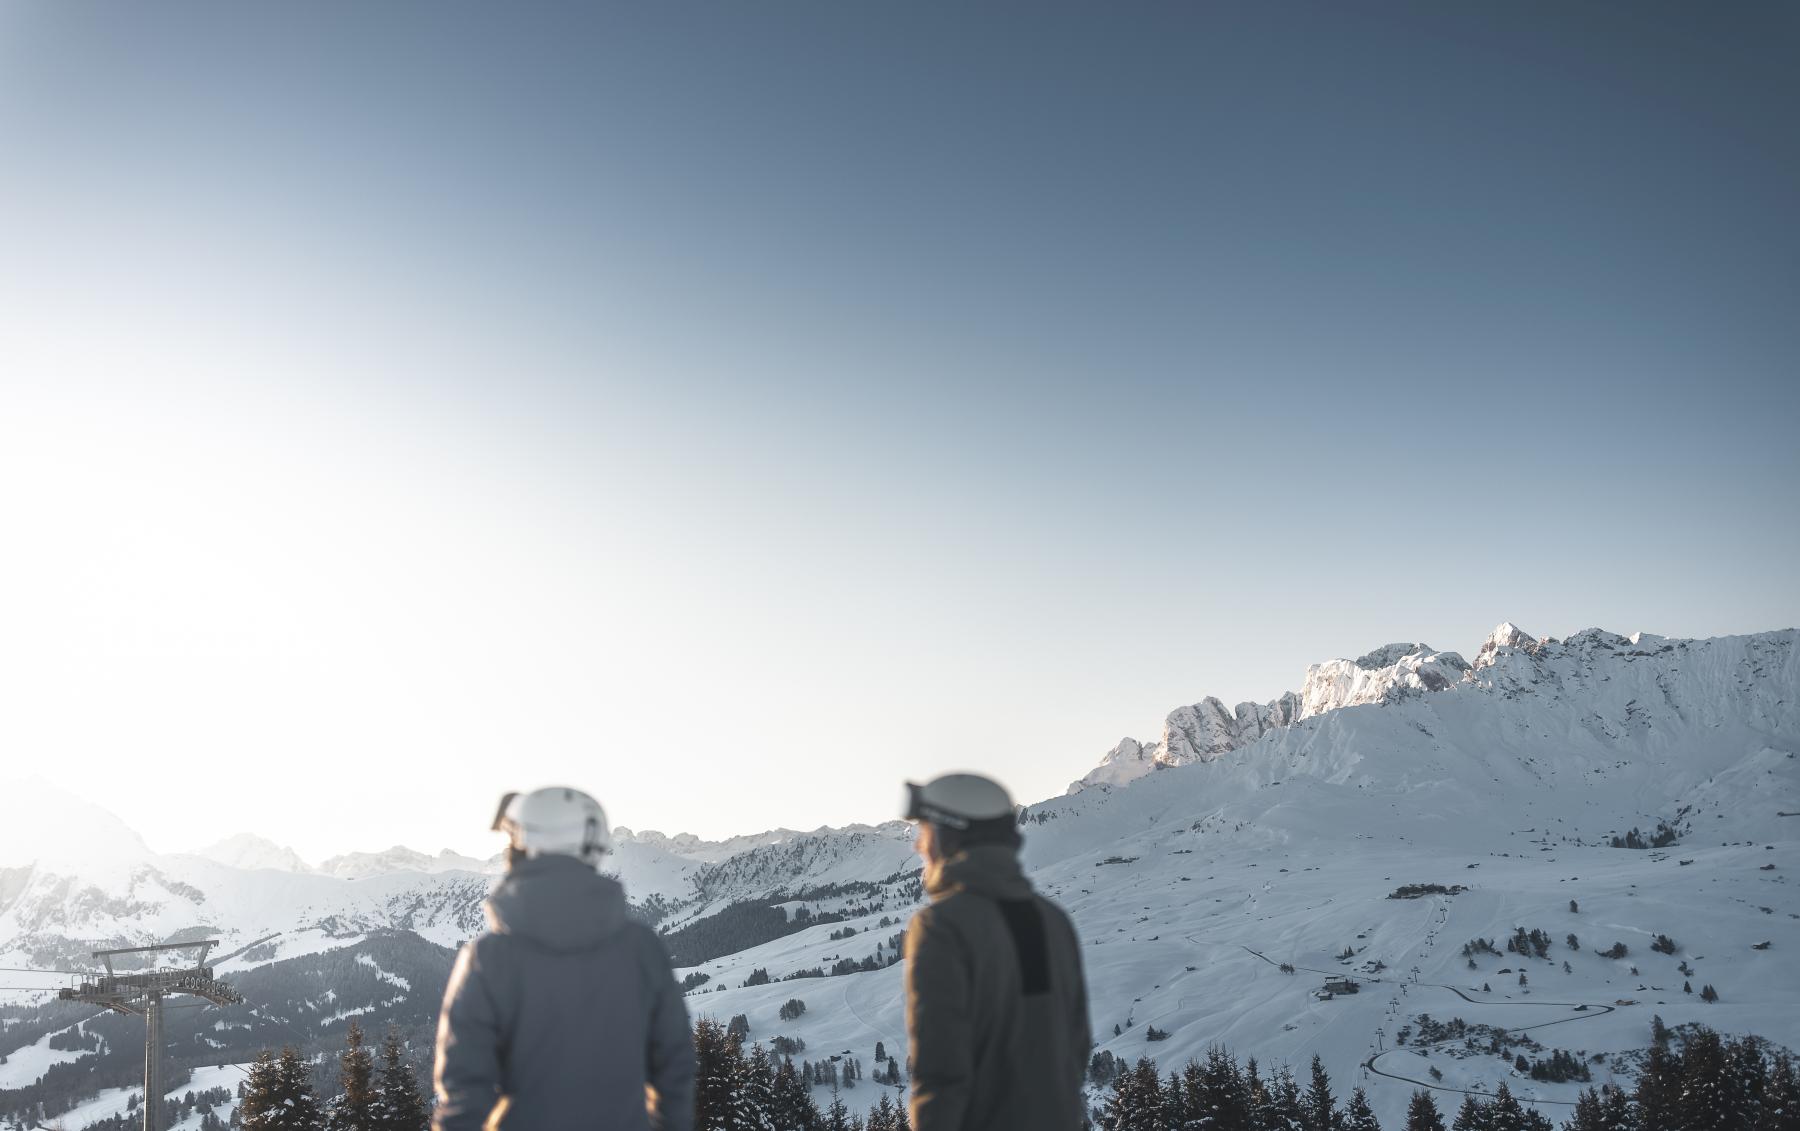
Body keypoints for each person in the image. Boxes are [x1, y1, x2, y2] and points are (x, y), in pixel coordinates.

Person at [433, 787, 695, 1131]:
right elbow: (674, 1067)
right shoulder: (641, 948)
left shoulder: (488, 957)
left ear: (523, 845)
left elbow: (464, 1085)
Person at [902, 772, 1090, 1131]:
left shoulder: (942, 927)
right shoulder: (1053, 920)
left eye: (924, 831)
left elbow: (941, 1070)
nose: (918, 846)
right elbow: (1075, 1048)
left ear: (948, 834)